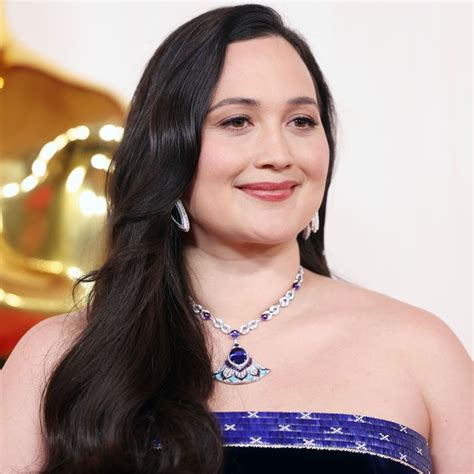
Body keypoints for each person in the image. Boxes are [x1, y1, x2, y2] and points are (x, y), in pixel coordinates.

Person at [1, 4, 471, 473]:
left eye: (301, 121)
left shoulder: (421, 350)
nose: (278, 154)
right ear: (168, 147)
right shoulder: (57, 355)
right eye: (237, 121)